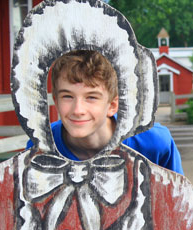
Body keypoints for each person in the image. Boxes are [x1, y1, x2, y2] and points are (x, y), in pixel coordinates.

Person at [26, 49, 184, 175]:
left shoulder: (154, 142)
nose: (78, 110)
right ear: (56, 100)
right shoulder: (40, 145)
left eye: (91, 97)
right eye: (67, 96)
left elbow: (178, 203)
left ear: (112, 106)